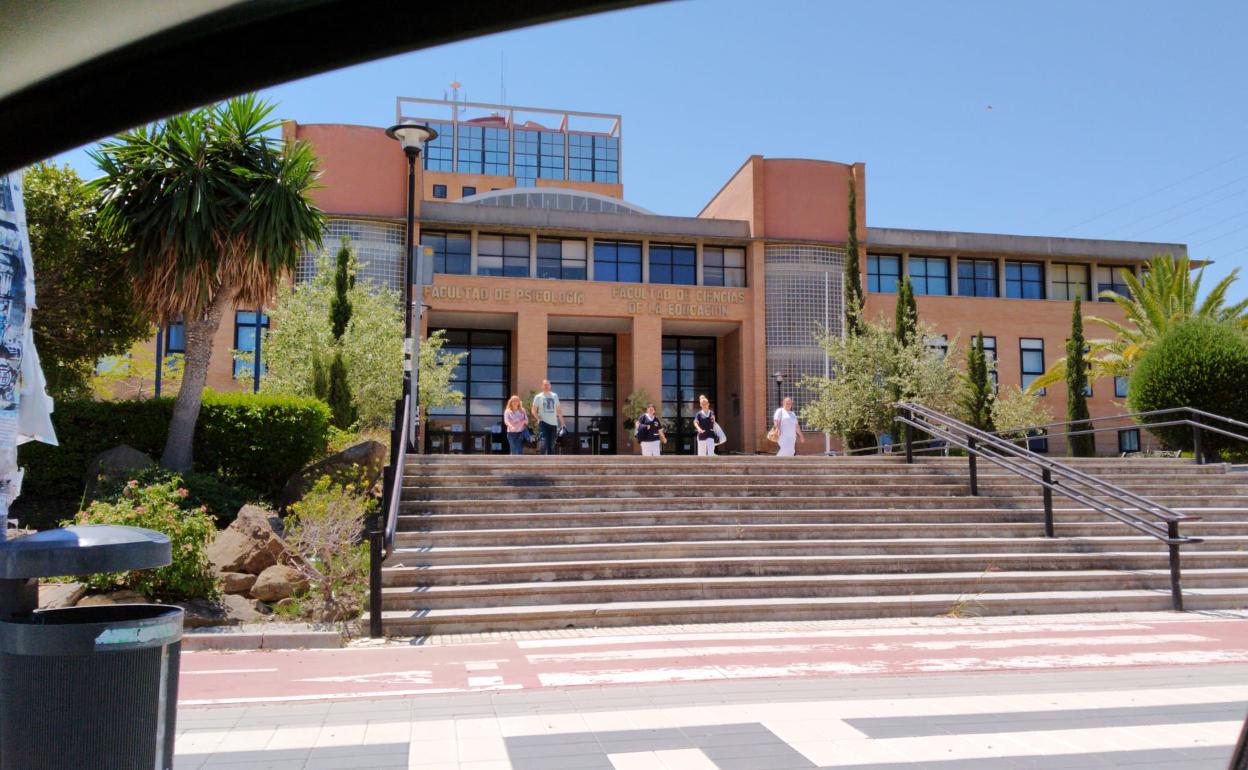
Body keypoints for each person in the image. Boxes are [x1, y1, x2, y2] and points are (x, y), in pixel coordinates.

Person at [530, 379, 566, 455]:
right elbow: (533, 410)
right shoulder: (538, 397)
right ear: (542, 386)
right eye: (545, 385)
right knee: (543, 443)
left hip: (553, 424)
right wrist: (538, 418)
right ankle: (541, 462)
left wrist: (562, 423)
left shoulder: (554, 396)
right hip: (543, 423)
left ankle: (551, 464)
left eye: (548, 385)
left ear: (550, 386)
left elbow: (558, 410)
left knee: (552, 445)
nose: (546, 386)